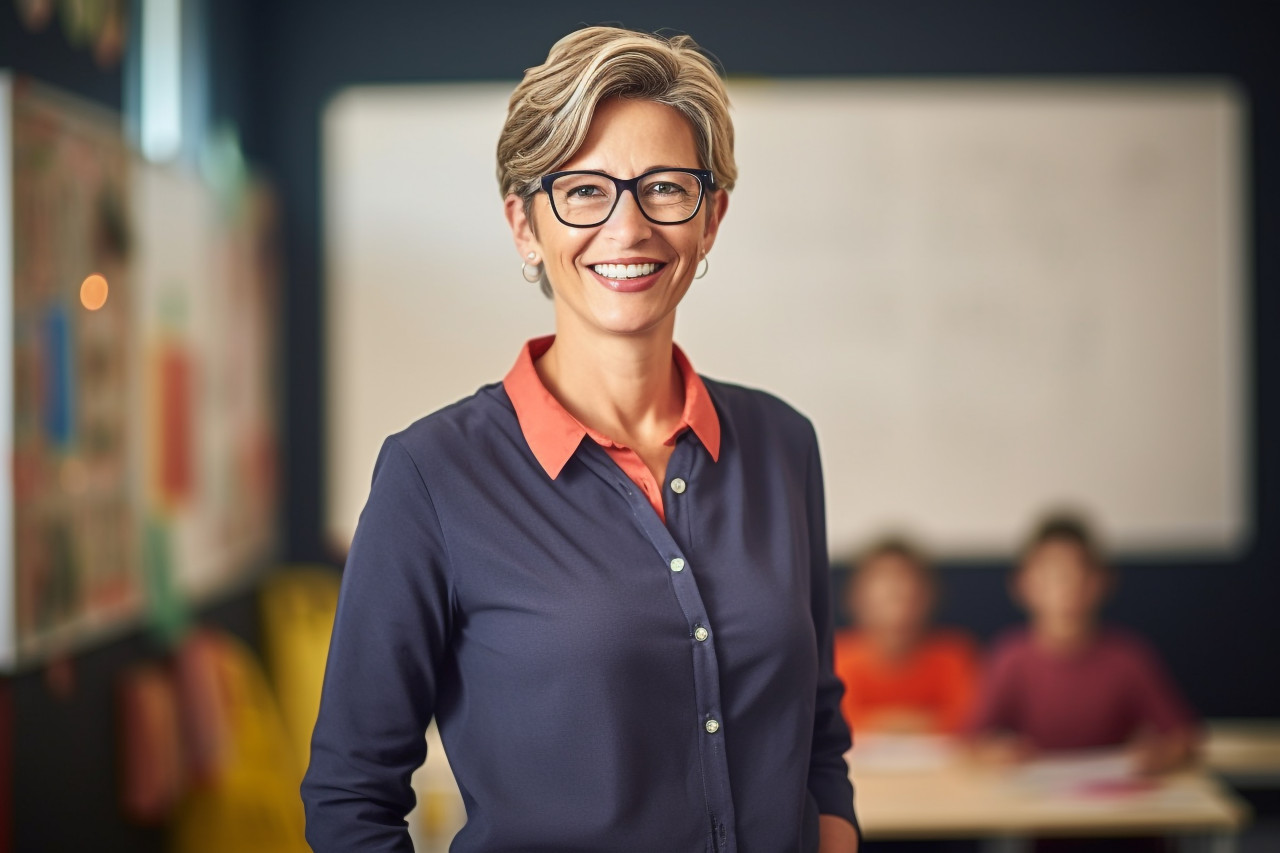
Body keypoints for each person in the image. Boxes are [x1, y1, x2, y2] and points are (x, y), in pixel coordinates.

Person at [301, 26, 859, 853]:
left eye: (665, 188)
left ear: (711, 219)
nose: (627, 227)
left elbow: (815, 722)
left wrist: (836, 829)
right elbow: (351, 794)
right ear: (525, 225)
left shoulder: (783, 445)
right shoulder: (432, 475)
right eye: (584, 190)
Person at [969, 512, 1197, 774]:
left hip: (1111, 799)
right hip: (1034, 797)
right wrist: (992, 753)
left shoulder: (1128, 658)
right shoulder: (1011, 657)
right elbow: (969, 741)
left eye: (1078, 573)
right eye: (1053, 574)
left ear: (1101, 581)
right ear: (1025, 583)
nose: (1067, 586)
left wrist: (1161, 756)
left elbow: (1183, 737)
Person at [833, 536, 978, 736]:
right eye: (882, 579)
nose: (896, 590)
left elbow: (970, 718)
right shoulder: (837, 654)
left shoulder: (953, 653)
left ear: (929, 595)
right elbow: (834, 720)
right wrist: (914, 723)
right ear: (855, 597)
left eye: (905, 578)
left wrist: (881, 722)